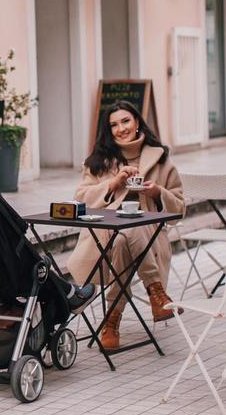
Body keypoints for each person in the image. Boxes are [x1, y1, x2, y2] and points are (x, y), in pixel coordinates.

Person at [66, 100, 185, 350]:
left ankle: (112, 319)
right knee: (123, 232)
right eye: (114, 125)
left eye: (125, 121)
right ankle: (157, 293)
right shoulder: (99, 161)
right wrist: (113, 183)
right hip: (104, 234)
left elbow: (180, 208)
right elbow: (80, 199)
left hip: (149, 236)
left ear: (137, 122)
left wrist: (157, 193)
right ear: (108, 130)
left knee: (128, 232)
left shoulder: (161, 159)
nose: (121, 128)